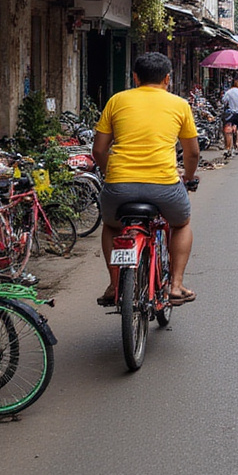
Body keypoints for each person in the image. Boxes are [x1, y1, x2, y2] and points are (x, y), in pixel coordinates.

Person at [92, 51, 199, 306]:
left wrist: (113, 174)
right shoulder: (179, 104)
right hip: (164, 185)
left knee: (112, 226)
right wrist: (188, 177)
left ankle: (114, 284)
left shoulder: (117, 101)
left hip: (119, 187)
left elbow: (98, 150)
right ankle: (175, 285)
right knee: (181, 224)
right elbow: (192, 152)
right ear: (167, 79)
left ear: (135, 77)